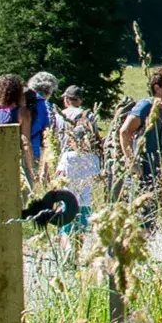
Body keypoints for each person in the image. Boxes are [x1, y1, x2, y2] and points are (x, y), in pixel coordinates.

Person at [118, 65, 162, 202]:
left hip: (152, 175)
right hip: (140, 177)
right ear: (157, 88)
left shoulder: (160, 113)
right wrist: (132, 162)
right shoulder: (145, 106)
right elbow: (125, 131)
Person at [54, 86, 102, 227]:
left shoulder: (59, 115)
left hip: (63, 158)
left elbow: (53, 137)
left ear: (66, 99)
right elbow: (95, 137)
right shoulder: (88, 115)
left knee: (65, 196)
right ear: (79, 100)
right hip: (86, 158)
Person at [26, 72, 60, 181]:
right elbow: (48, 135)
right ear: (49, 90)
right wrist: (45, 170)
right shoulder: (44, 105)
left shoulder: (21, 100)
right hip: (33, 150)